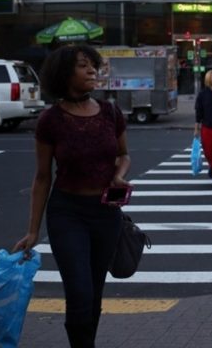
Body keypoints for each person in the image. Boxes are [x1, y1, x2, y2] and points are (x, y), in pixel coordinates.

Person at [12, 45, 131, 348]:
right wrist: (32, 231)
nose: (92, 70)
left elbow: (123, 155)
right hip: (68, 213)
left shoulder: (110, 112)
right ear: (65, 73)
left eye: (93, 64)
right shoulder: (51, 120)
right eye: (83, 65)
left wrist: (118, 175)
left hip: (106, 214)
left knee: (93, 292)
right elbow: (42, 176)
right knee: (78, 291)